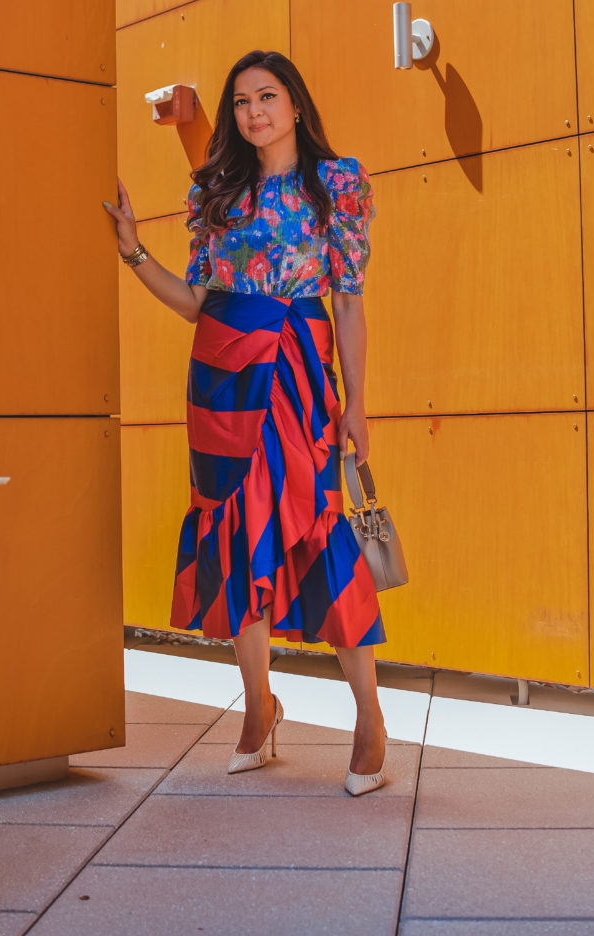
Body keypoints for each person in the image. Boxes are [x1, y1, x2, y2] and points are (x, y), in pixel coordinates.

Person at [103, 49, 389, 796]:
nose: (253, 112)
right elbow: (198, 300)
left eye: (267, 97)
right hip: (220, 377)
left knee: (319, 527)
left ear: (296, 104)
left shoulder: (336, 185)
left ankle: (368, 719)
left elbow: (350, 301)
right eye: (239, 102)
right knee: (233, 531)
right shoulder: (216, 193)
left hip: (296, 375)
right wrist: (134, 252)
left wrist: (355, 402)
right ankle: (259, 708)